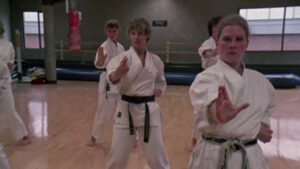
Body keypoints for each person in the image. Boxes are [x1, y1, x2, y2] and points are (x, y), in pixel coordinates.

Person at [188, 14, 275, 169]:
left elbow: (268, 109)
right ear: (217, 42)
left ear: (247, 44)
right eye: (227, 39)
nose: (233, 45)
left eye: (239, 39)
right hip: (213, 156)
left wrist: (261, 126)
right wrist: (218, 113)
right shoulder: (205, 78)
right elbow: (209, 106)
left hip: (251, 156)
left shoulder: (261, 81)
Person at [105, 18, 170, 169]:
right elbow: (111, 78)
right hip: (126, 109)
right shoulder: (120, 59)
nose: (136, 37)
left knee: (157, 157)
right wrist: (118, 74)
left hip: (149, 110)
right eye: (133, 33)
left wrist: (160, 89)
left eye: (140, 34)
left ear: (147, 36)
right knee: (117, 158)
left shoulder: (156, 61)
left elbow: (161, 81)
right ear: (129, 35)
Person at [87, 19, 125, 147]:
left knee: (125, 110)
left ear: (118, 31)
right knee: (103, 112)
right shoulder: (103, 47)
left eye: (114, 31)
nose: (112, 33)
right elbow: (98, 64)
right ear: (106, 32)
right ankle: (94, 137)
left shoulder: (121, 47)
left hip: (120, 83)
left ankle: (131, 137)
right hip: (107, 83)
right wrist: (100, 61)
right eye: (109, 31)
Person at [190, 16, 223, 152]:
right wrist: (215, 52)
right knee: (201, 111)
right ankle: (194, 139)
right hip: (208, 80)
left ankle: (219, 140)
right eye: (214, 27)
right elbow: (207, 54)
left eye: (219, 26)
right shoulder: (207, 43)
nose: (216, 29)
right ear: (211, 29)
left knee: (221, 112)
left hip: (223, 80)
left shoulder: (226, 42)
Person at [0, 20, 31, 146]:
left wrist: (10, 65)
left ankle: (24, 135)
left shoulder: (7, 45)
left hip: (3, 82)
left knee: (10, 110)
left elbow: (11, 66)